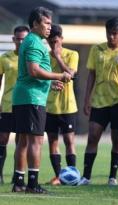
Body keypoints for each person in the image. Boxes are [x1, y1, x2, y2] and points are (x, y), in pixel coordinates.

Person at [12, 7, 72, 194]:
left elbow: (34, 74)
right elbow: (34, 70)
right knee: (36, 141)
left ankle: (19, 181)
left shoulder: (32, 41)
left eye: (50, 23)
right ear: (35, 24)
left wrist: (51, 82)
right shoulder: (34, 43)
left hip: (26, 95)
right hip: (32, 98)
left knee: (23, 140)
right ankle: (32, 184)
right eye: (46, 23)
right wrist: (60, 76)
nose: (49, 27)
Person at [78, 17, 118, 186]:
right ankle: (86, 177)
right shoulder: (97, 50)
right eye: (109, 33)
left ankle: (112, 177)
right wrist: (87, 99)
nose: (111, 37)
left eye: (115, 34)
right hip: (99, 102)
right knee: (93, 136)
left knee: (117, 140)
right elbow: (91, 76)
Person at [45, 24, 79, 185]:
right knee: (52, 141)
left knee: (68, 140)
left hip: (68, 106)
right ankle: (59, 176)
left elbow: (70, 75)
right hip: (49, 106)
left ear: (62, 40)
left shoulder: (73, 54)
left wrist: (58, 56)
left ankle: (72, 175)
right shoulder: (44, 56)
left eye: (56, 41)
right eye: (50, 42)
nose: (53, 45)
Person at [0, 26, 29, 184]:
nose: (21, 41)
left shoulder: (30, 58)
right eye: (18, 38)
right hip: (7, 104)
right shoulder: (4, 58)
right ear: (13, 39)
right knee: (2, 139)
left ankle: (17, 176)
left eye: (24, 38)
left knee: (21, 141)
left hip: (24, 104)